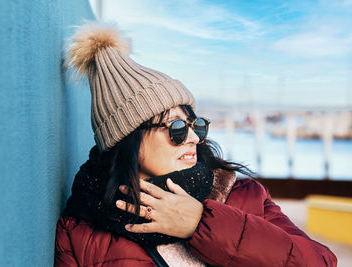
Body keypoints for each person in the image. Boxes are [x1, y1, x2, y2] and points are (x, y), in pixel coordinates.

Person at [54, 22, 337, 267]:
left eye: (195, 125)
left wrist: (203, 224)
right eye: (176, 128)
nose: (193, 138)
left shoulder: (241, 196)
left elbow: (320, 261)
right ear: (128, 140)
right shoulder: (79, 233)